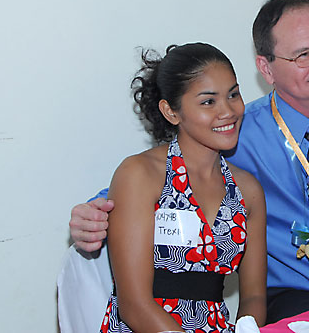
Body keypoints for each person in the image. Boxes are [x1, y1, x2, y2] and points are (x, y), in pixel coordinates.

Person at [70, 0, 309, 324]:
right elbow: (161, 181)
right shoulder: (235, 133)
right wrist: (95, 211)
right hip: (292, 294)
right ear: (266, 69)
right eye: (303, 55)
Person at [98, 43, 266, 333]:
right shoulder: (140, 175)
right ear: (171, 112)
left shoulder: (247, 190)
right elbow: (134, 305)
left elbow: (254, 297)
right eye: (208, 102)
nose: (228, 111)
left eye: (233, 95)